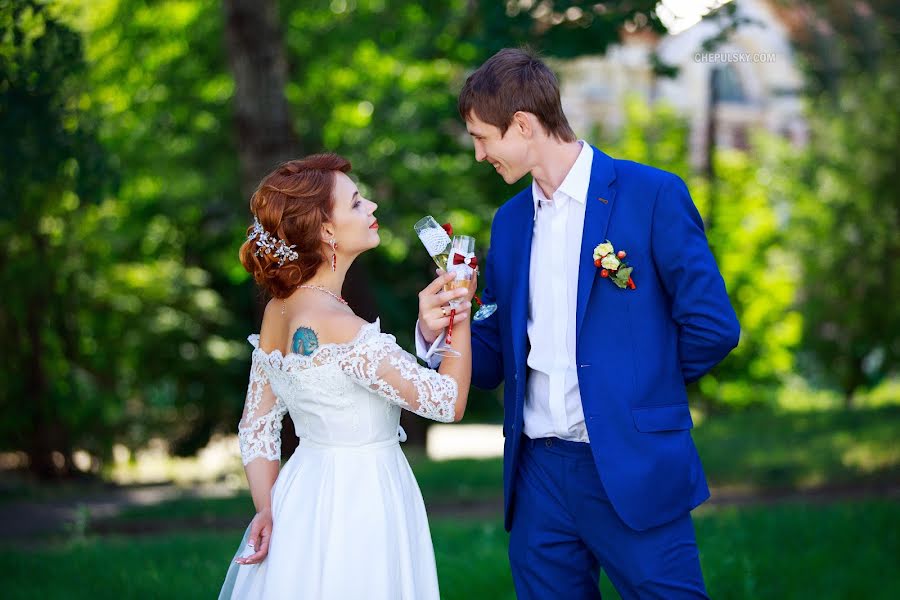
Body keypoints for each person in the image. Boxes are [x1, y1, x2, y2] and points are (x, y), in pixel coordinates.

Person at [417, 48, 740, 599]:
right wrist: (440, 330)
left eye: (482, 138)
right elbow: (494, 361)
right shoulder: (511, 221)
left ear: (522, 125)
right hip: (537, 476)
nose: (478, 155)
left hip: (631, 464)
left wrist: (636, 387)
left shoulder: (653, 196)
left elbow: (713, 326)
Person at [219, 153, 475, 599]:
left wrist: (267, 509)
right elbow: (446, 402)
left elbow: (255, 428)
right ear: (326, 230)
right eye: (356, 203)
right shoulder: (340, 325)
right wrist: (461, 312)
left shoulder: (279, 312)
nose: (372, 207)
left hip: (301, 498)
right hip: (361, 501)